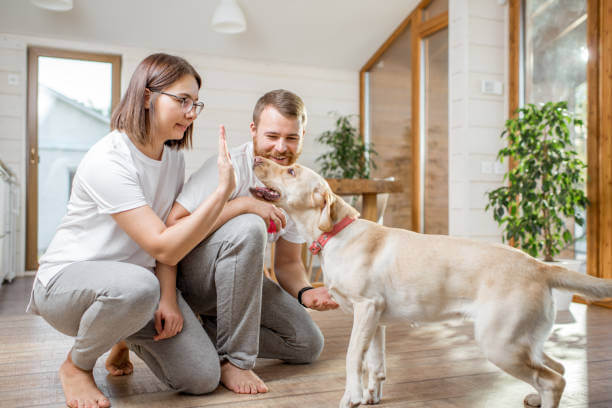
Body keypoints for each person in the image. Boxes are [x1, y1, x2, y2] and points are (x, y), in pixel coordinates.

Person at [27, 53, 236, 408]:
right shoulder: (108, 158)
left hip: (136, 291)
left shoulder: (173, 160)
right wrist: (221, 195)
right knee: (139, 286)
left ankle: (120, 335)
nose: (192, 113)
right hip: (66, 287)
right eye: (182, 100)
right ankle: (76, 366)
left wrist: (168, 298)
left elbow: (170, 233)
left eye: (195, 103)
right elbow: (164, 246)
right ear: (145, 97)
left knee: (202, 377)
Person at [167, 89, 339, 393]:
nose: (281, 147)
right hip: (193, 281)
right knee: (249, 226)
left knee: (307, 344)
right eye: (272, 136)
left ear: (302, 136)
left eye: (291, 138)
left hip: (241, 286)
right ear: (254, 130)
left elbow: (287, 263)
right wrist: (244, 205)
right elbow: (173, 226)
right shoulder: (229, 165)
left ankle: (206, 334)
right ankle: (235, 361)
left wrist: (305, 293)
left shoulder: (294, 186)